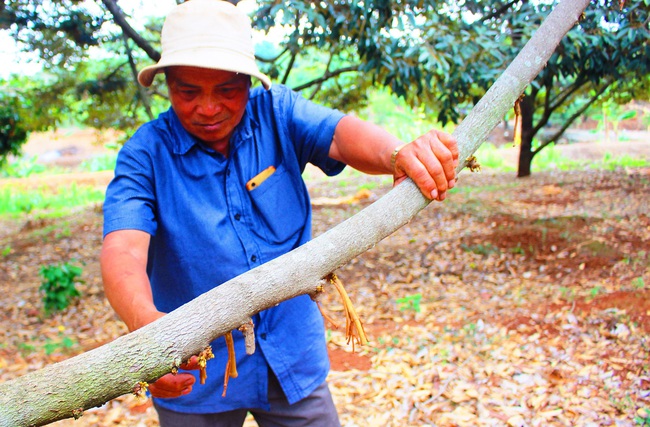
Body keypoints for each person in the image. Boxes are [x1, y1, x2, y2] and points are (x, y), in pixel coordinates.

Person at [100, 0, 458, 426]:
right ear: (167, 85)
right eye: (188, 92)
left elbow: (341, 135)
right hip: (194, 374)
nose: (209, 108)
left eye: (227, 91)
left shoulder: (277, 111)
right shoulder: (145, 154)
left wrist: (397, 154)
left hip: (291, 353)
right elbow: (123, 249)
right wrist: (149, 337)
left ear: (248, 84)